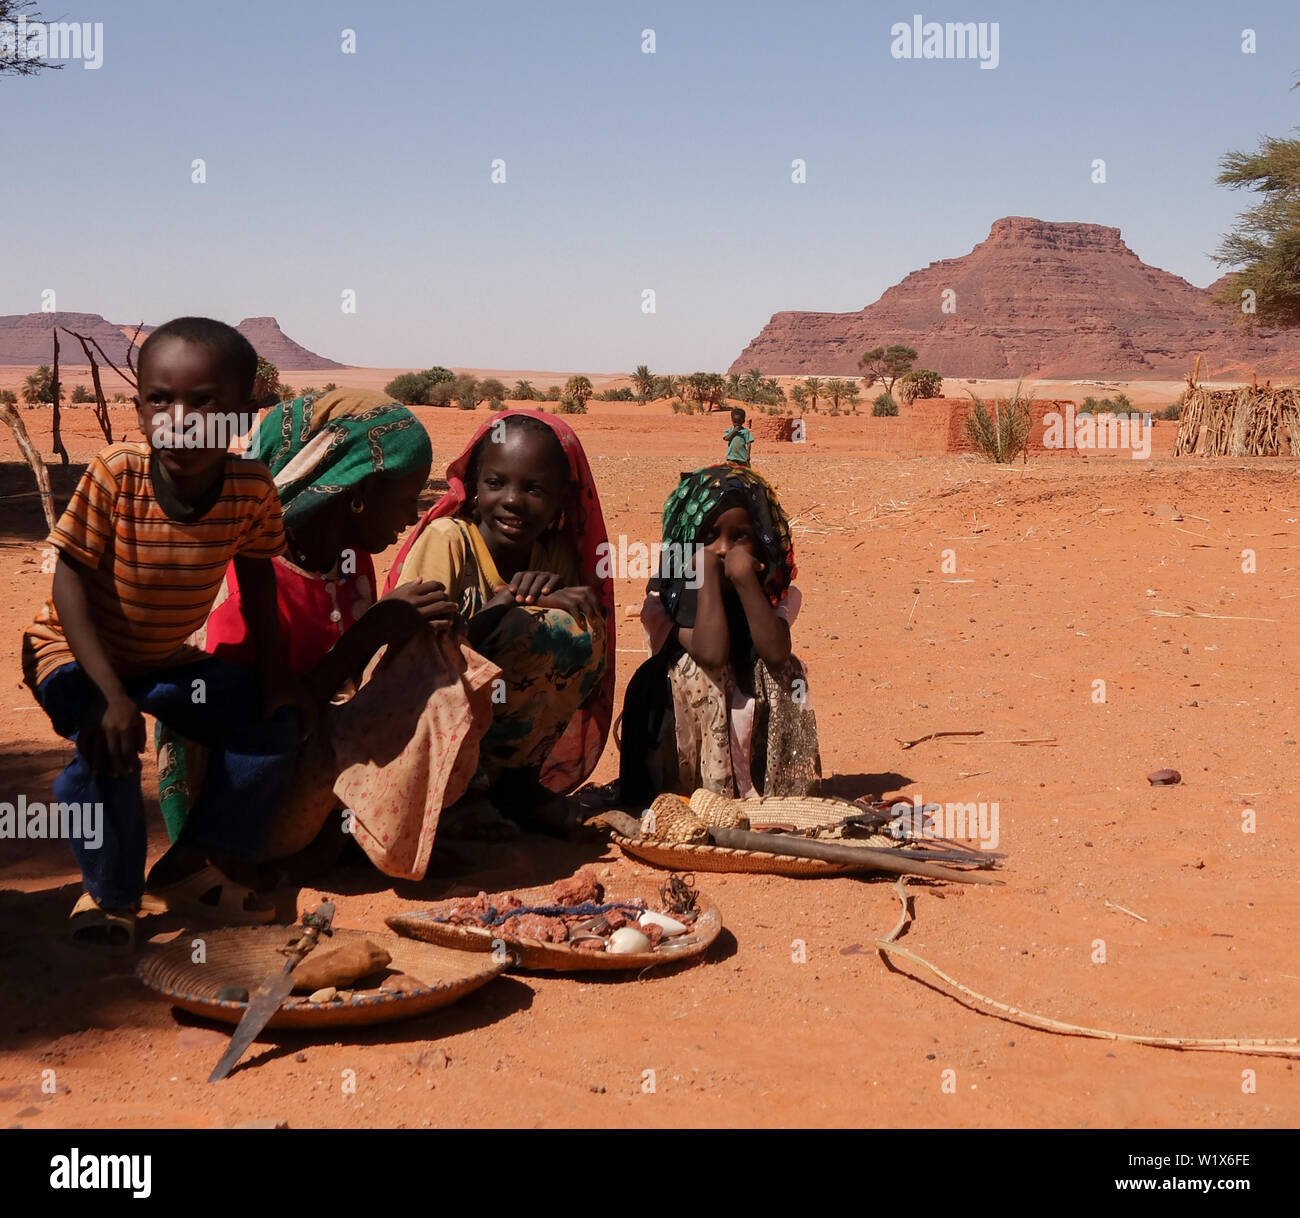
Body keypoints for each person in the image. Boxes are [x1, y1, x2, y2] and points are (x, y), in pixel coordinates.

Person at [20, 317, 306, 947]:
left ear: (242, 414)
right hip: (71, 655)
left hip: (160, 662)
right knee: (106, 739)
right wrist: (110, 697)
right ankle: (111, 898)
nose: (180, 417)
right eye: (159, 399)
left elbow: (257, 581)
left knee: (271, 724)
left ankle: (189, 867)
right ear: (140, 403)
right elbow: (67, 584)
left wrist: (278, 676)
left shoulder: (250, 488)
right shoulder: (117, 473)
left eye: (205, 401)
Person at [155, 389, 459, 877]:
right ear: (356, 497)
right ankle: (242, 863)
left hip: (309, 760)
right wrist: (369, 634)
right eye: (405, 500)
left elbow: (343, 687)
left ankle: (364, 839)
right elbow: (259, 726)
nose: (410, 518)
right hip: (242, 805)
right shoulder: (241, 585)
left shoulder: (349, 559)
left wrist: (410, 634)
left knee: (445, 673)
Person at [384, 409, 614, 837]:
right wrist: (507, 601)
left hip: (494, 734)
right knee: (539, 627)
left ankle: (515, 785)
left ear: (562, 498)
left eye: (535, 489)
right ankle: (456, 798)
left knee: (582, 627)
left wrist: (545, 604)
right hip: (426, 728)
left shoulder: (555, 555)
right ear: (474, 488)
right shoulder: (449, 541)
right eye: (496, 483)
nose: (512, 500)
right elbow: (415, 658)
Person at [619, 463, 820, 804]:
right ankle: (702, 793)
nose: (724, 549)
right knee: (697, 673)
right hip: (682, 733)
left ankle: (774, 790)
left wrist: (744, 581)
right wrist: (707, 574)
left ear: (762, 542)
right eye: (709, 537)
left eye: (739, 536)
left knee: (788, 672)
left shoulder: (771, 591)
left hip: (746, 713)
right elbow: (710, 655)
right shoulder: (670, 594)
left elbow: (775, 652)